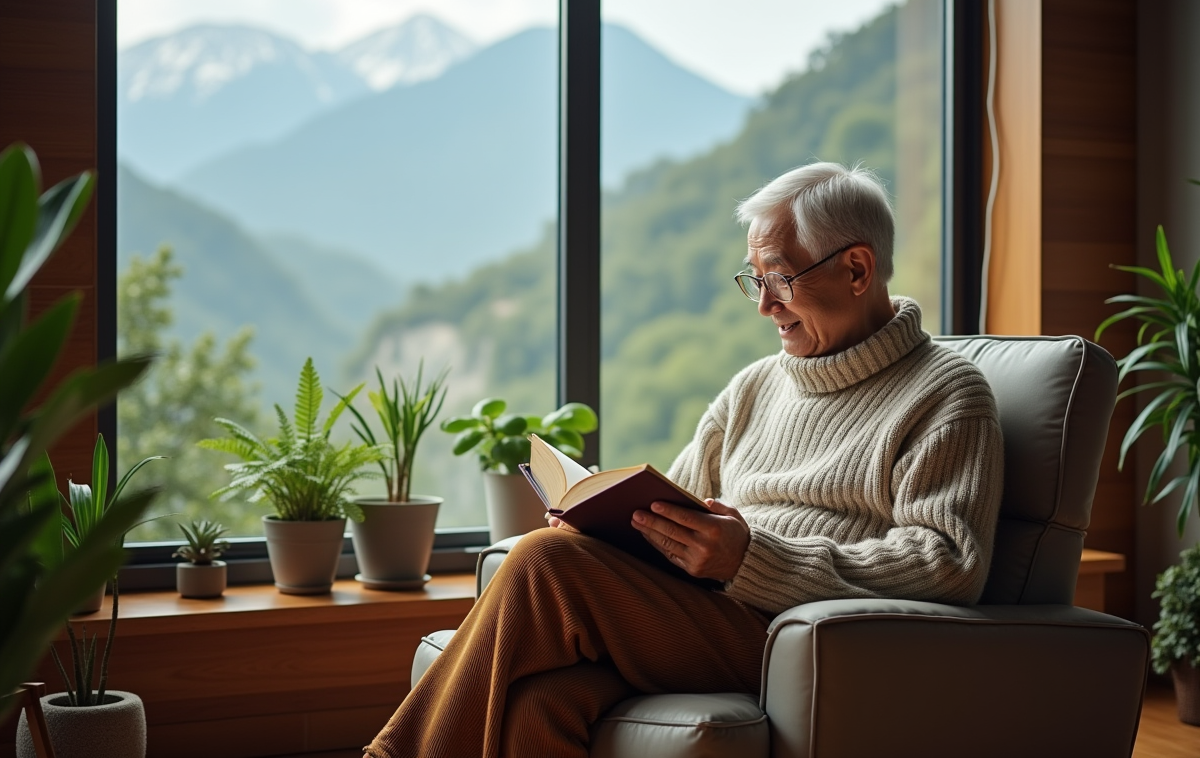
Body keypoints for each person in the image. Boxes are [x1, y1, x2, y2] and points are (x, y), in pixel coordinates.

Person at [365, 161, 1004, 758]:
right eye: (754, 280)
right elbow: (678, 502)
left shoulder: (947, 394)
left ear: (857, 270)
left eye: (779, 278)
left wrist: (753, 557)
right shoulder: (754, 386)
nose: (763, 305)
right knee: (539, 703)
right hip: (701, 613)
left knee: (539, 560)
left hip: (798, 636)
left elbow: (948, 565)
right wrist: (606, 532)